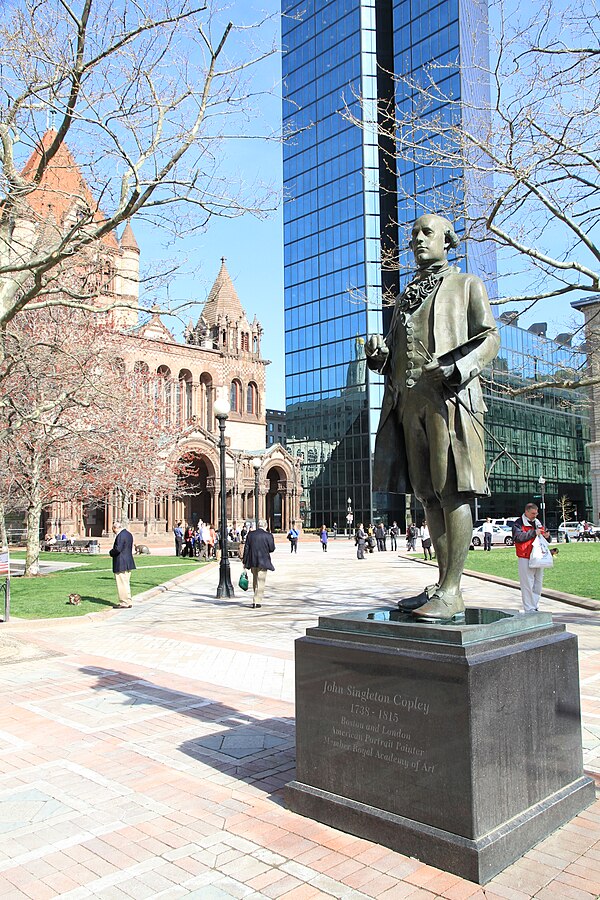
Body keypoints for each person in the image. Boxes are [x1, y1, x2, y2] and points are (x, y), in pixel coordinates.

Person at [366, 213, 500, 621]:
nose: (418, 241)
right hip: (408, 406)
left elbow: (491, 337)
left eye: (427, 233)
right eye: (413, 235)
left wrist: (458, 369)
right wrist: (379, 355)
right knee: (426, 494)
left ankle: (453, 589)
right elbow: (394, 353)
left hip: (449, 402)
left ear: (448, 241)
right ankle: (442, 584)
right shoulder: (405, 297)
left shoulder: (466, 285)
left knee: (453, 490)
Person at [512, 503, 551, 613]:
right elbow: (518, 537)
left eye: (536, 513)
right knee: (527, 584)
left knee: (538, 583)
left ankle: (534, 605)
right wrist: (534, 532)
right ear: (527, 512)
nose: (535, 515)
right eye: (533, 513)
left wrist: (547, 536)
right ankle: (529, 608)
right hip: (525, 556)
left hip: (538, 556)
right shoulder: (518, 523)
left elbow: (546, 537)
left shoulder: (538, 522)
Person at [242, 519, 275, 608]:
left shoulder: (251, 535)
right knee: (261, 581)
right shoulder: (268, 535)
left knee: (255, 579)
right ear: (266, 526)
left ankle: (256, 598)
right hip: (263, 561)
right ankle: (256, 600)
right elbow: (272, 548)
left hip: (253, 561)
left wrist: (244, 561)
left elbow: (246, 548)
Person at [109, 522, 136, 608]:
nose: (113, 531)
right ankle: (128, 600)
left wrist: (111, 552)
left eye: (113, 529)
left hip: (121, 562)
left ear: (115, 528)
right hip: (128, 562)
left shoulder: (120, 536)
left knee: (121, 583)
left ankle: (124, 602)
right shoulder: (128, 534)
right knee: (126, 583)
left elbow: (118, 549)